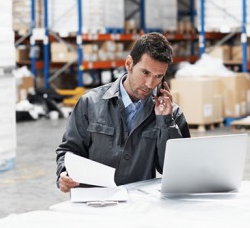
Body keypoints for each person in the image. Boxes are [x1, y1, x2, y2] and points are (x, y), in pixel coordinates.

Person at [56, 33, 190, 192]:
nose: (150, 84)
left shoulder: (172, 114)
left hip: (138, 207)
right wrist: (64, 173)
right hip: (93, 204)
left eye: (158, 76)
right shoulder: (90, 103)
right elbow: (70, 150)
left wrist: (165, 121)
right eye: (145, 73)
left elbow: (173, 170)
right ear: (129, 63)